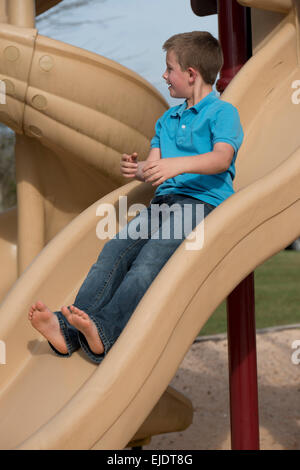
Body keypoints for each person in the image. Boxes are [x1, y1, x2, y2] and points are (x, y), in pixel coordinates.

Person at [28, 31, 244, 364]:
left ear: (191, 74)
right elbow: (156, 167)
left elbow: (221, 159)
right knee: (114, 249)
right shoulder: (166, 120)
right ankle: (67, 330)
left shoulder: (221, 113)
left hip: (201, 203)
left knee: (147, 262)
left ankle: (105, 331)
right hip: (163, 203)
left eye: (169, 68)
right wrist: (139, 168)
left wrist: (175, 165)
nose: (164, 75)